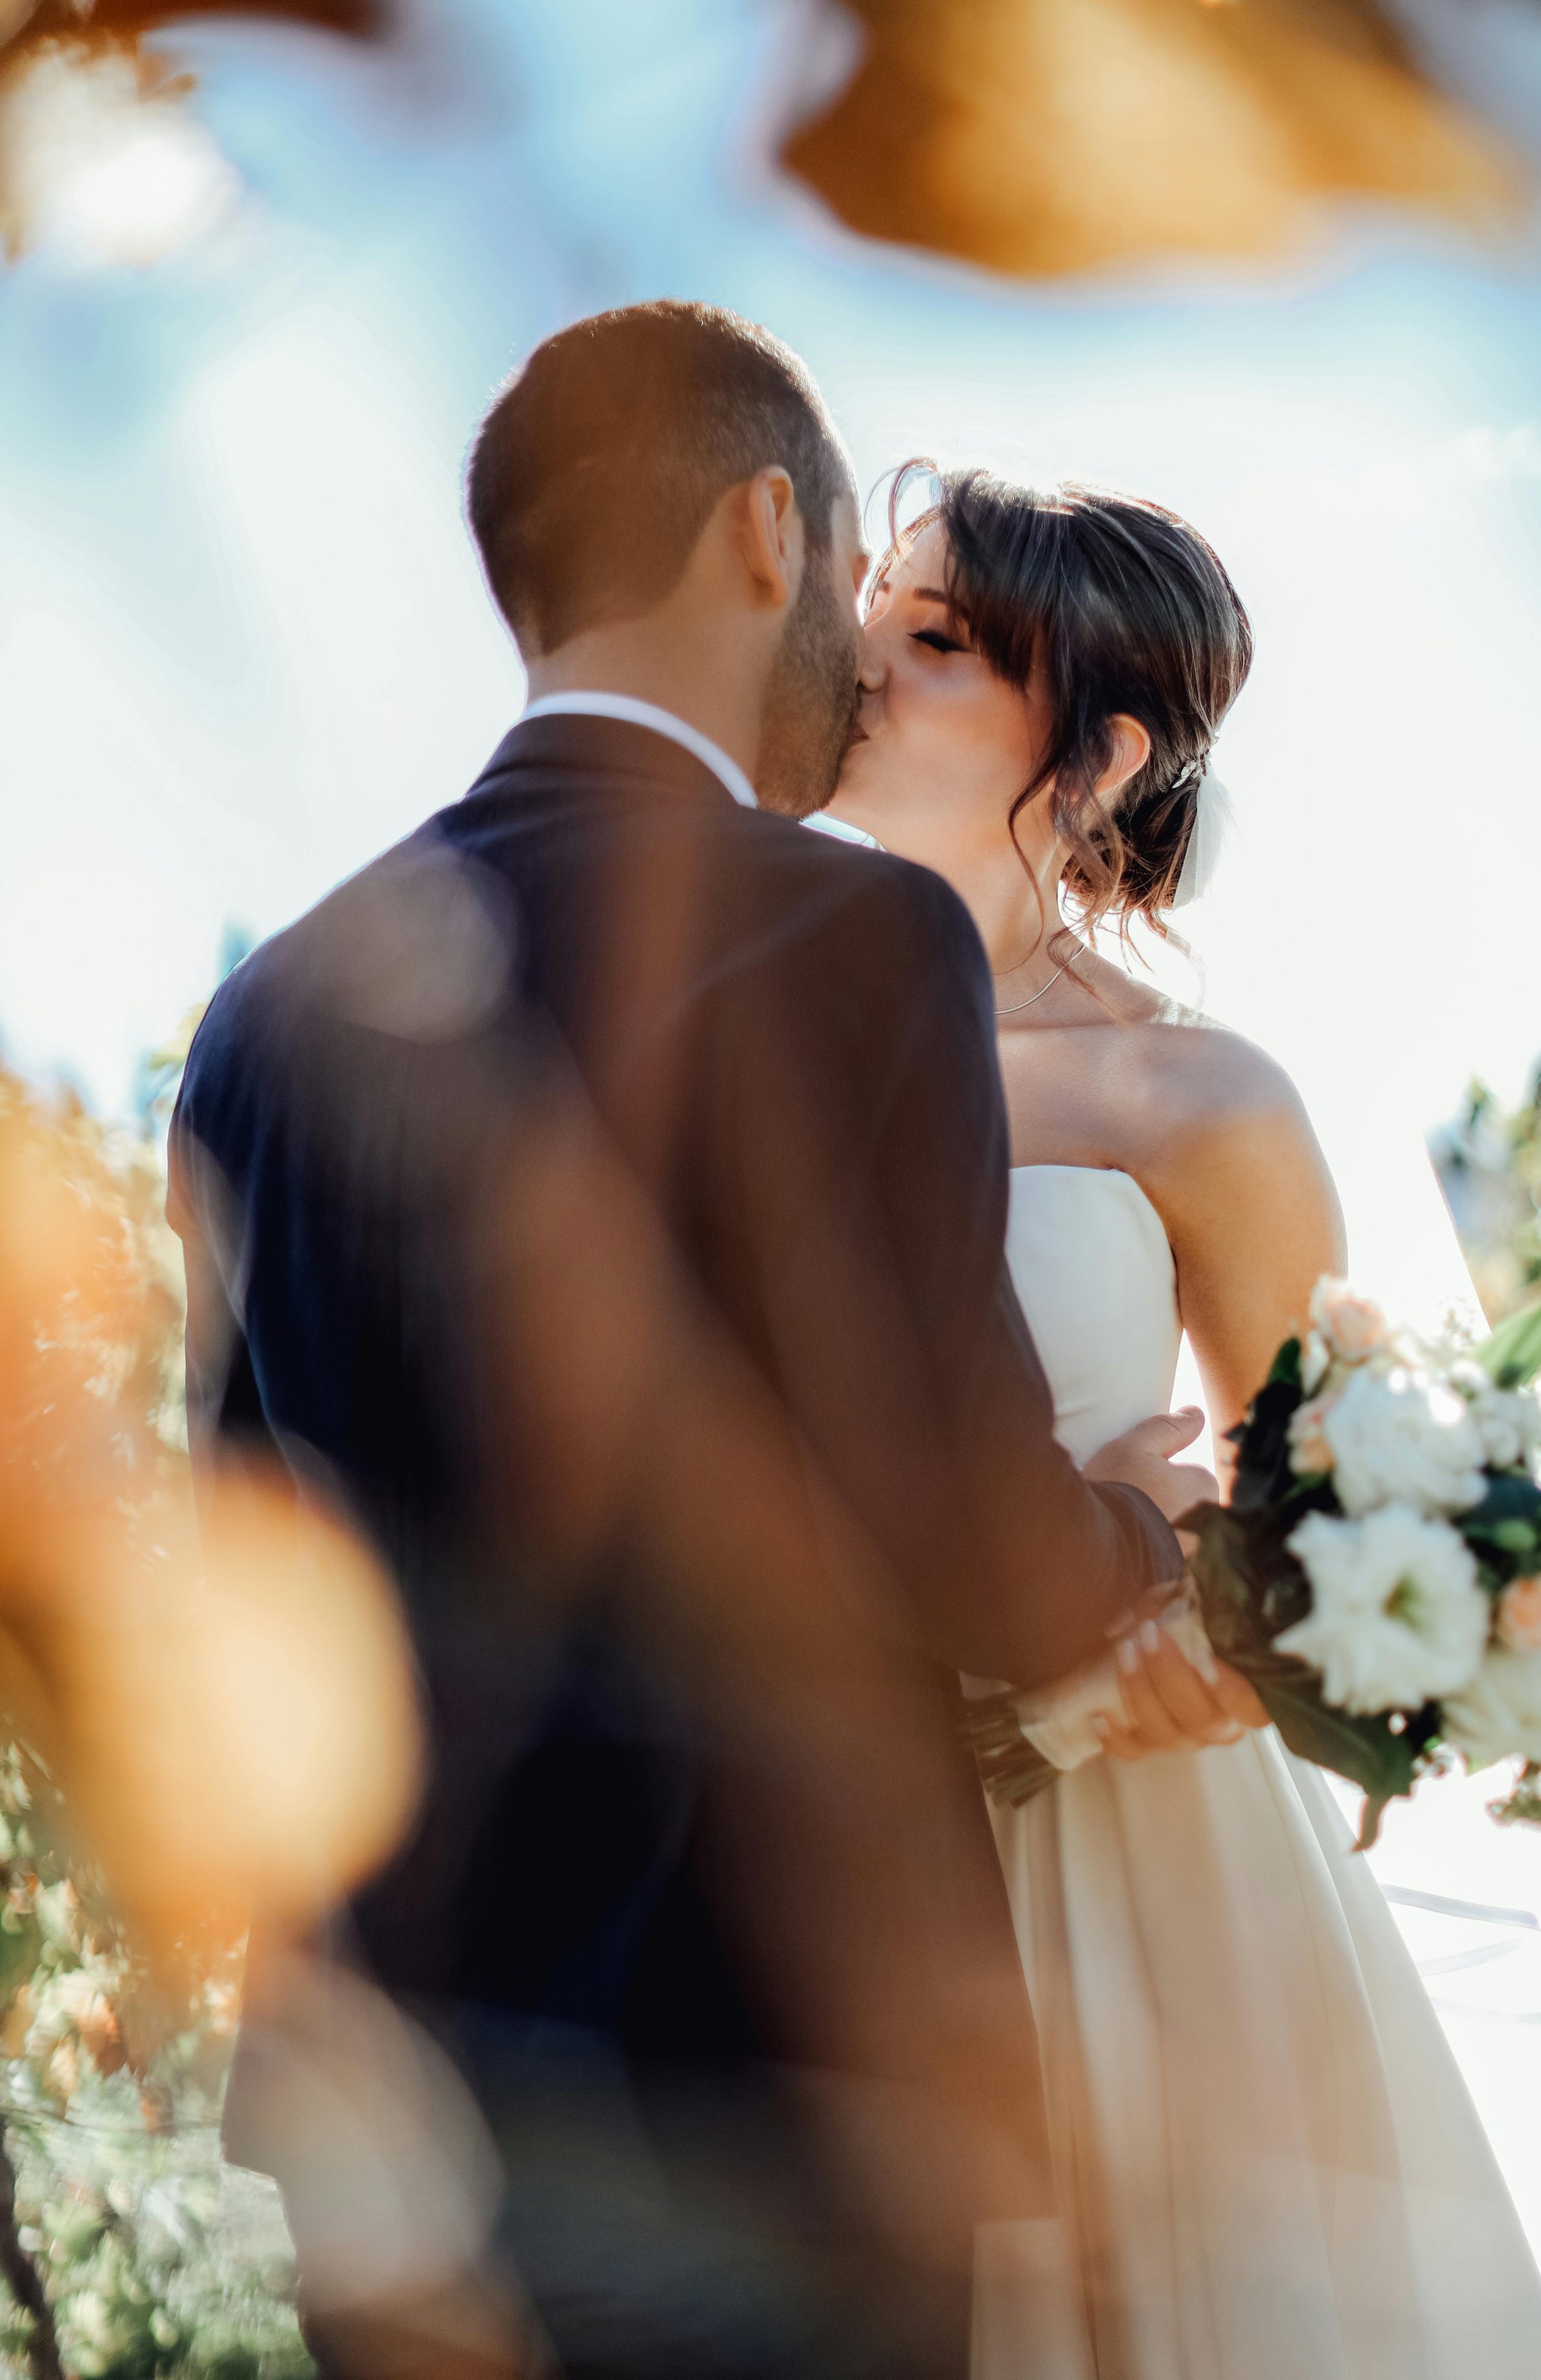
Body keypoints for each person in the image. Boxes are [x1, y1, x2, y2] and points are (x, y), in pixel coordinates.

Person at [167, 303, 1258, 2380]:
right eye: (859, 585)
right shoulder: (845, 933)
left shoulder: (266, 1015)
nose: (859, 651)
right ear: (769, 530)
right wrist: (1131, 1526)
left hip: (390, 2116)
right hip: (771, 2081)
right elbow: (958, 1514)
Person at [818, 464, 1541, 2379]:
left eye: (925, 642)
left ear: (1089, 757)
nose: (851, 662)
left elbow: (1322, 1540)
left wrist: (1170, 1638)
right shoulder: (750, 1049)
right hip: (871, 1895)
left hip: (1168, 1882)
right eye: (871, 614)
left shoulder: (1190, 1105)